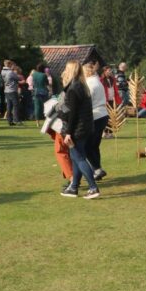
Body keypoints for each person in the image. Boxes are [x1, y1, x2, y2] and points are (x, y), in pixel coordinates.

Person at [58, 61, 101, 199]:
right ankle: (74, 187)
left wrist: (68, 132)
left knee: (78, 157)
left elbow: (73, 114)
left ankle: (93, 187)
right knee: (76, 157)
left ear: (70, 70)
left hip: (77, 129)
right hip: (86, 127)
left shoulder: (73, 88)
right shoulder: (82, 85)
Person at [83, 60, 107, 182]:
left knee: (87, 146)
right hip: (103, 114)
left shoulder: (89, 83)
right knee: (94, 146)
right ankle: (97, 169)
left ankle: (97, 169)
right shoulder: (97, 81)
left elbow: (87, 101)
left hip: (95, 115)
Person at [1, 60, 21, 126]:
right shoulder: (10, 72)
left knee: (9, 106)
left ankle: (9, 120)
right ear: (9, 64)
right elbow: (18, 78)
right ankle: (16, 120)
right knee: (16, 105)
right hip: (12, 90)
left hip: (6, 90)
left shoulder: (2, 71)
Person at [100, 65, 117, 138]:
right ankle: (104, 132)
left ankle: (110, 132)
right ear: (104, 71)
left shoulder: (113, 79)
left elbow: (115, 89)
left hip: (112, 100)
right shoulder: (101, 80)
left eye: (110, 70)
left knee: (111, 117)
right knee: (106, 117)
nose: (110, 72)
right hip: (105, 101)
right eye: (108, 71)